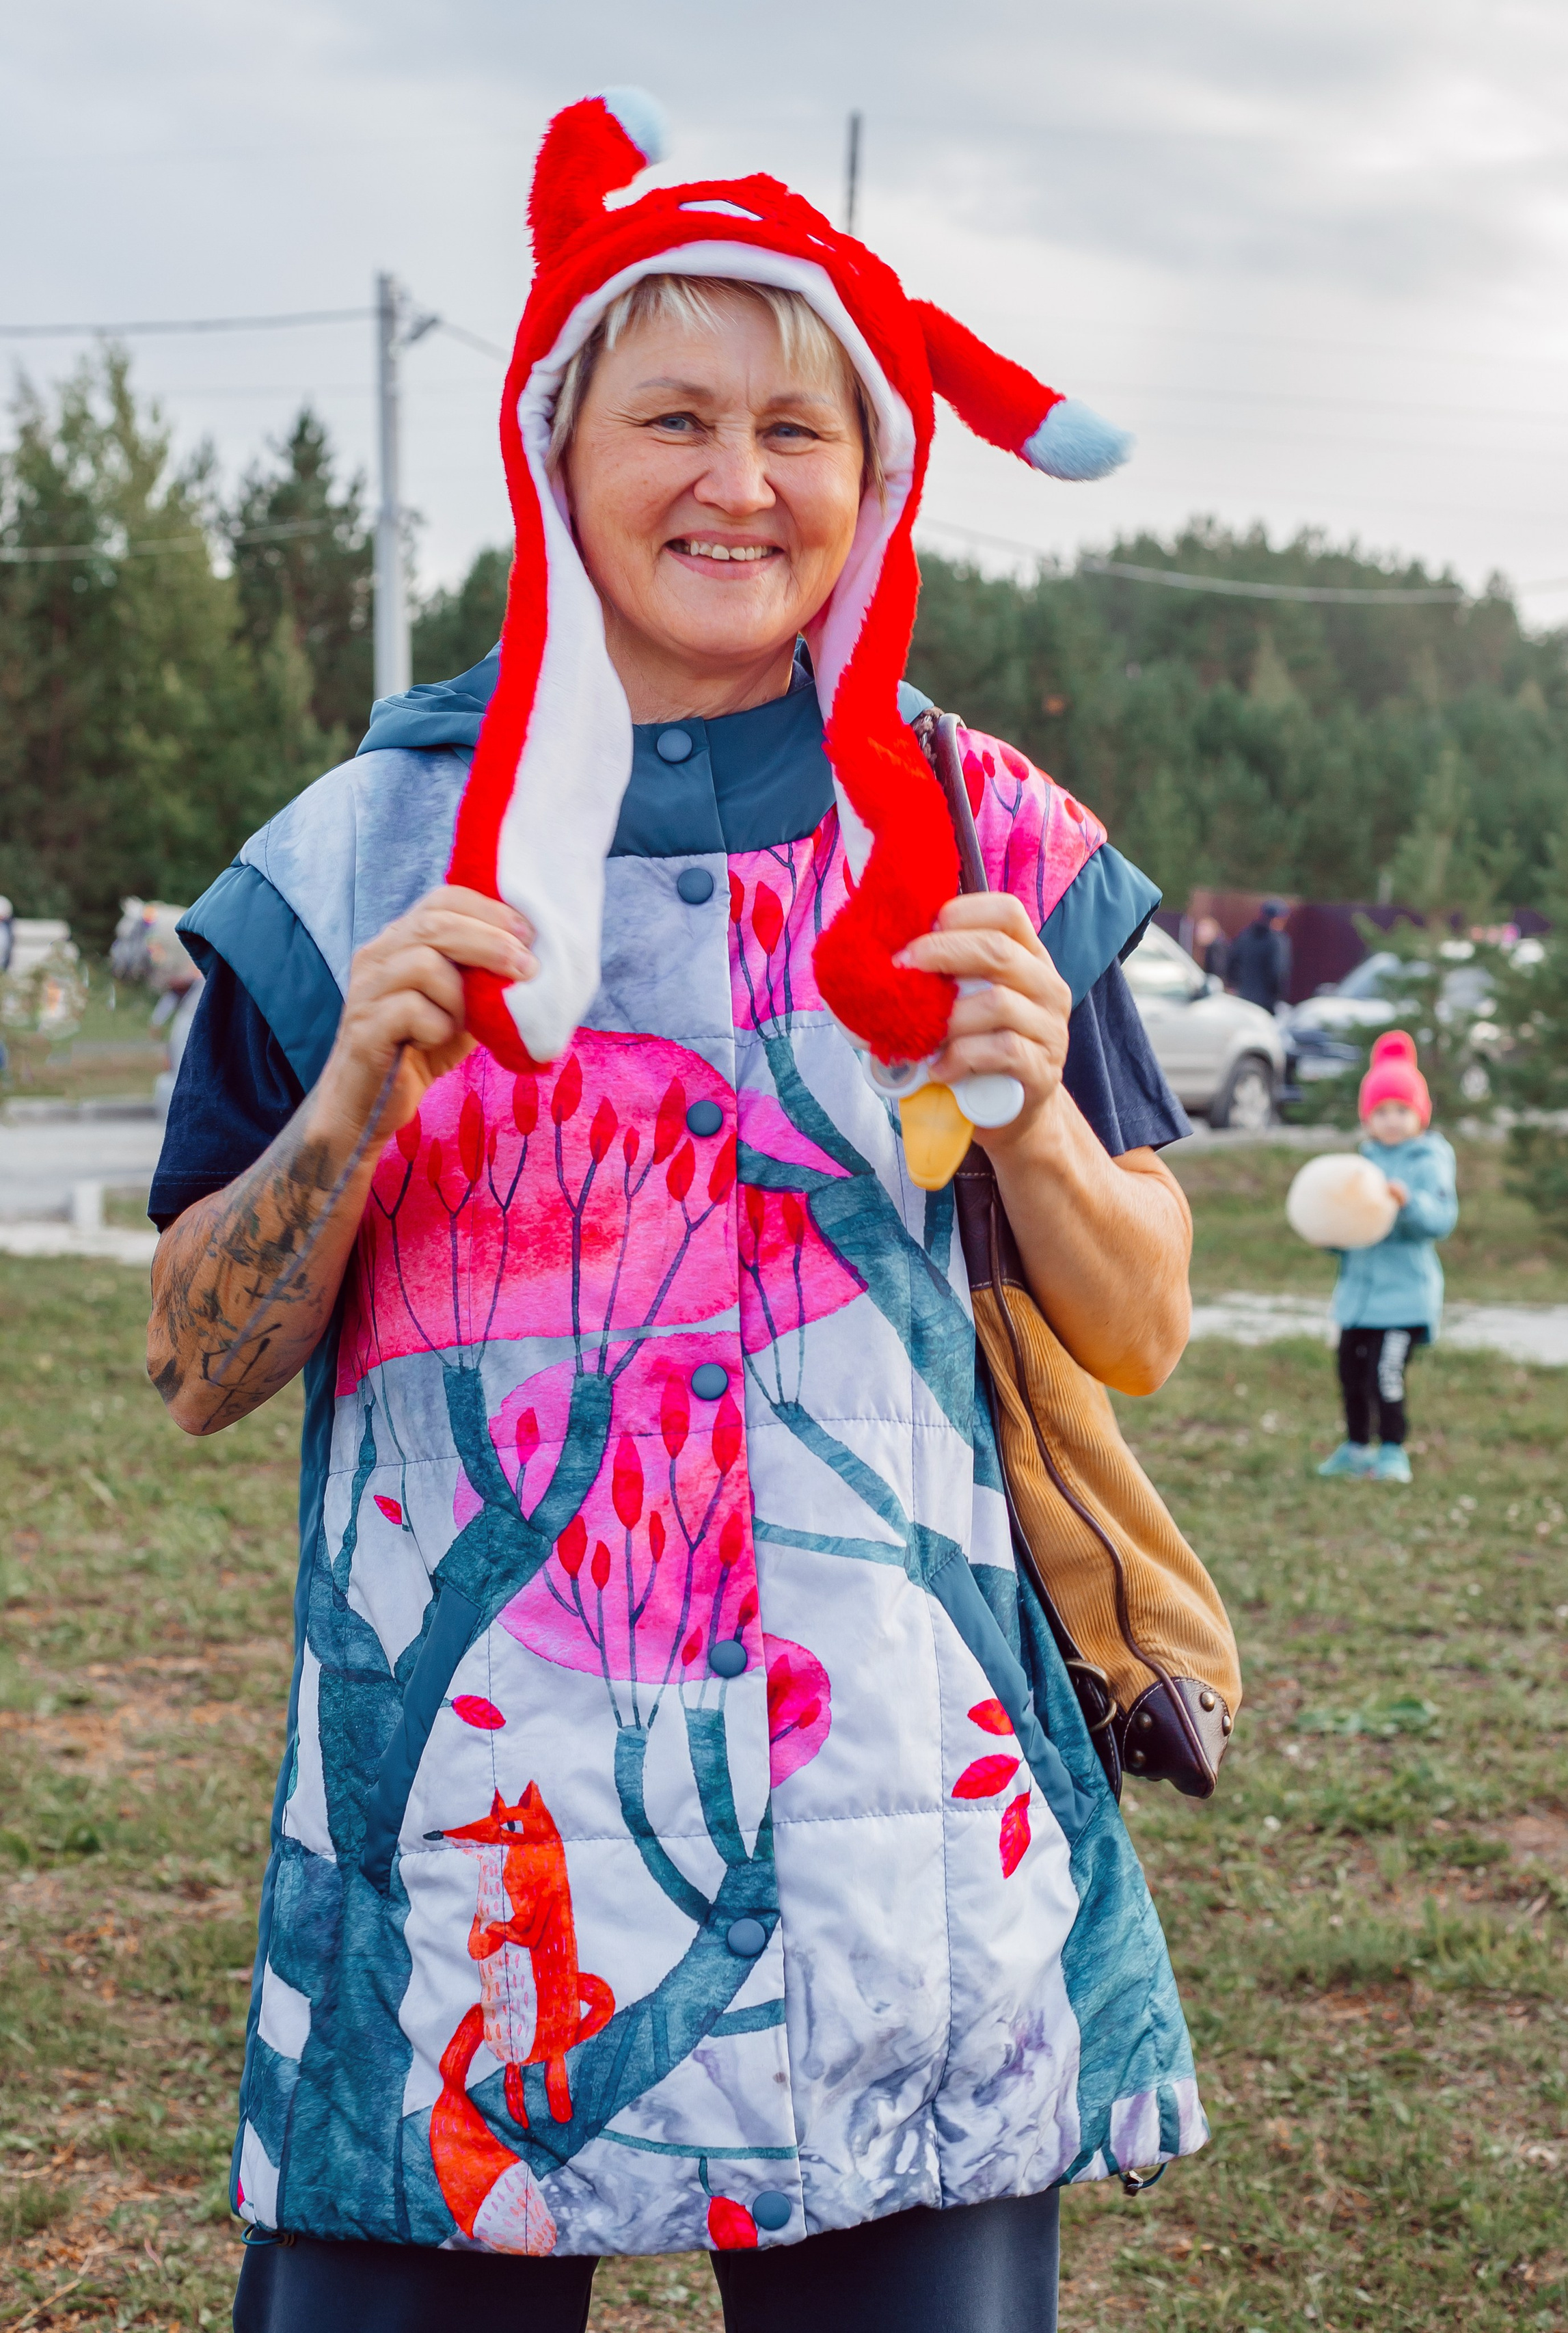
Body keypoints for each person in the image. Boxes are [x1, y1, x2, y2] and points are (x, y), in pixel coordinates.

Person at [145, 92, 1204, 2333]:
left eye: (797, 428)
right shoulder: (362, 842)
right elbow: (193, 1363)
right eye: (681, 418)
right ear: (561, 439)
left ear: (876, 467)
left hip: (902, 1853)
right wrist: (348, 1097)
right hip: (458, 1877)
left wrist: (1026, 1122)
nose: (742, 482)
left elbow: (1139, 1325)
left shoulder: (981, 833)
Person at [1316, 1031, 1457, 1484]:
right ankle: (1357, 1446)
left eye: (1402, 1110)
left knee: (1386, 1373)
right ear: (1368, 1118)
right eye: (1382, 1111)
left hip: (1403, 1300)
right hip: (1358, 1297)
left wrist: (1407, 1202)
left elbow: (1440, 1219)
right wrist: (1330, 1232)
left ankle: (1393, 1449)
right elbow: (1351, 1226)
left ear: (1419, 1114)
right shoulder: (1361, 1163)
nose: (1392, 1120)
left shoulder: (1428, 1161)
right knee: (1351, 1373)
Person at [1228, 898, 1289, 1013]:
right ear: (1277, 919)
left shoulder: (1245, 935)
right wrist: (1278, 996)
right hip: (1265, 1003)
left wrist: (1233, 986)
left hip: (1241, 998)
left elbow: (1231, 962)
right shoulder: (1277, 941)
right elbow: (1277, 972)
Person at [1192, 913, 1228, 985]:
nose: (1199, 933)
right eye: (1198, 929)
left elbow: (1217, 974)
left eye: (1203, 930)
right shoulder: (1217, 945)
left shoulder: (1216, 948)